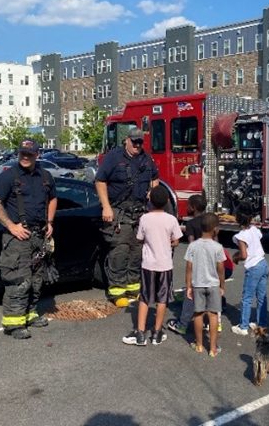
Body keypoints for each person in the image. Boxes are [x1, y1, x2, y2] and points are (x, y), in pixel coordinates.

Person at [0, 140, 56, 339]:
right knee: (18, 279)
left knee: (36, 280)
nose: (25, 157)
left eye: (29, 154)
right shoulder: (8, 176)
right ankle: (14, 323)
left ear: (37, 155)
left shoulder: (45, 176)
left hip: (39, 236)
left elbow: (52, 198)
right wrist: (11, 226)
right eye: (22, 153)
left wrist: (50, 222)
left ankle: (30, 314)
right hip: (17, 238)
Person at [96, 127, 160, 307]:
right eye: (134, 142)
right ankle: (117, 290)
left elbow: (155, 177)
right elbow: (100, 181)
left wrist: (152, 191)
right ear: (127, 140)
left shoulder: (146, 159)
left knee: (137, 251)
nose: (137, 145)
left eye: (140, 142)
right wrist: (106, 207)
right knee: (120, 250)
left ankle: (133, 288)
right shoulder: (114, 157)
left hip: (140, 212)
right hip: (119, 212)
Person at [123, 185, 182, 346]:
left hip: (148, 264)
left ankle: (140, 333)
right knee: (162, 299)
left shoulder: (145, 218)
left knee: (144, 297)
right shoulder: (171, 219)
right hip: (165, 265)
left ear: (150, 201)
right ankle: (156, 333)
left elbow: (140, 238)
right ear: (167, 201)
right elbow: (176, 240)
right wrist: (170, 242)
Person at [185, 213, 226, 356]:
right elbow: (221, 268)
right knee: (213, 315)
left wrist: (188, 285)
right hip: (213, 284)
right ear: (216, 229)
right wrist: (222, 285)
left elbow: (189, 267)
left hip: (198, 284)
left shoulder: (193, 246)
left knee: (198, 314)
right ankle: (213, 348)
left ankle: (199, 345)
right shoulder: (218, 247)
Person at [230, 212, 268, 336]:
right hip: (263, 263)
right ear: (250, 218)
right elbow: (257, 240)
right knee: (261, 297)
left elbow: (244, 254)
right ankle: (261, 323)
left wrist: (236, 257)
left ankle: (243, 326)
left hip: (253, 267)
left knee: (247, 297)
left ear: (237, 219)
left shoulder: (241, 236)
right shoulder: (254, 229)